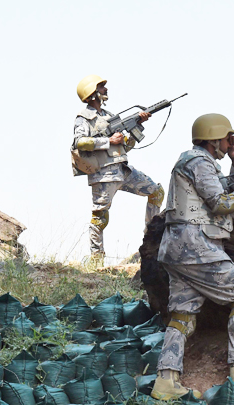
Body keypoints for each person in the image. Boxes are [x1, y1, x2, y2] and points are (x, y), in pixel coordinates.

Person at [151, 113, 234, 400]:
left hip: (177, 247)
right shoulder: (199, 162)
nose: (229, 141)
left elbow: (220, 188)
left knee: (182, 315)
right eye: (226, 137)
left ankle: (166, 381)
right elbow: (220, 203)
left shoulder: (197, 161)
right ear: (213, 138)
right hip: (195, 246)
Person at [72, 74, 164, 263]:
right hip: (104, 174)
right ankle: (96, 261)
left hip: (123, 170)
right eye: (101, 88)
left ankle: (150, 243)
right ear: (92, 94)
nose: (105, 90)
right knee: (99, 216)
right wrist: (108, 140)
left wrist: (137, 125)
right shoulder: (84, 118)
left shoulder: (109, 116)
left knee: (156, 192)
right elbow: (79, 142)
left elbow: (124, 147)